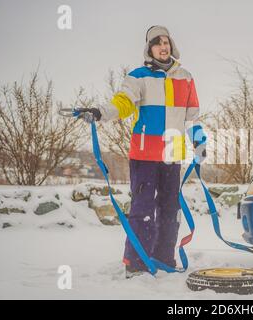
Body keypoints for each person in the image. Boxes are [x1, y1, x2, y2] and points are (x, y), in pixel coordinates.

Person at [80, 26, 205, 278]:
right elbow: (123, 103)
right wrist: (101, 113)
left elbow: (192, 117)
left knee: (171, 208)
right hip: (144, 154)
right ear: (149, 49)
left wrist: (199, 142)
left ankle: (163, 259)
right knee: (143, 208)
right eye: (157, 43)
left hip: (173, 153)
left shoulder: (186, 77)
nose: (163, 46)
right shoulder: (138, 76)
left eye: (166, 42)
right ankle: (136, 264)